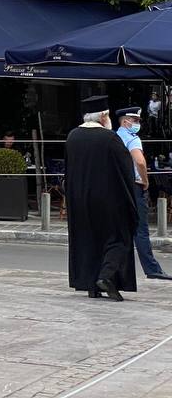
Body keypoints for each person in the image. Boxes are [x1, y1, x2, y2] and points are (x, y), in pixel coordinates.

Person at [67, 96, 140, 300]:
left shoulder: (73, 136)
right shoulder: (109, 138)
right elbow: (125, 168)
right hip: (108, 200)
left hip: (79, 199)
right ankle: (106, 276)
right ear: (103, 116)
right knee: (119, 237)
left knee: (90, 239)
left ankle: (91, 284)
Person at [115, 106, 171, 281]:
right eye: (135, 120)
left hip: (119, 186)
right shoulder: (132, 138)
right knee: (140, 230)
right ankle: (152, 268)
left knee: (119, 230)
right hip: (135, 185)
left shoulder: (114, 137)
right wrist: (145, 181)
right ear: (126, 122)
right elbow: (140, 161)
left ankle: (112, 270)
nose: (138, 123)